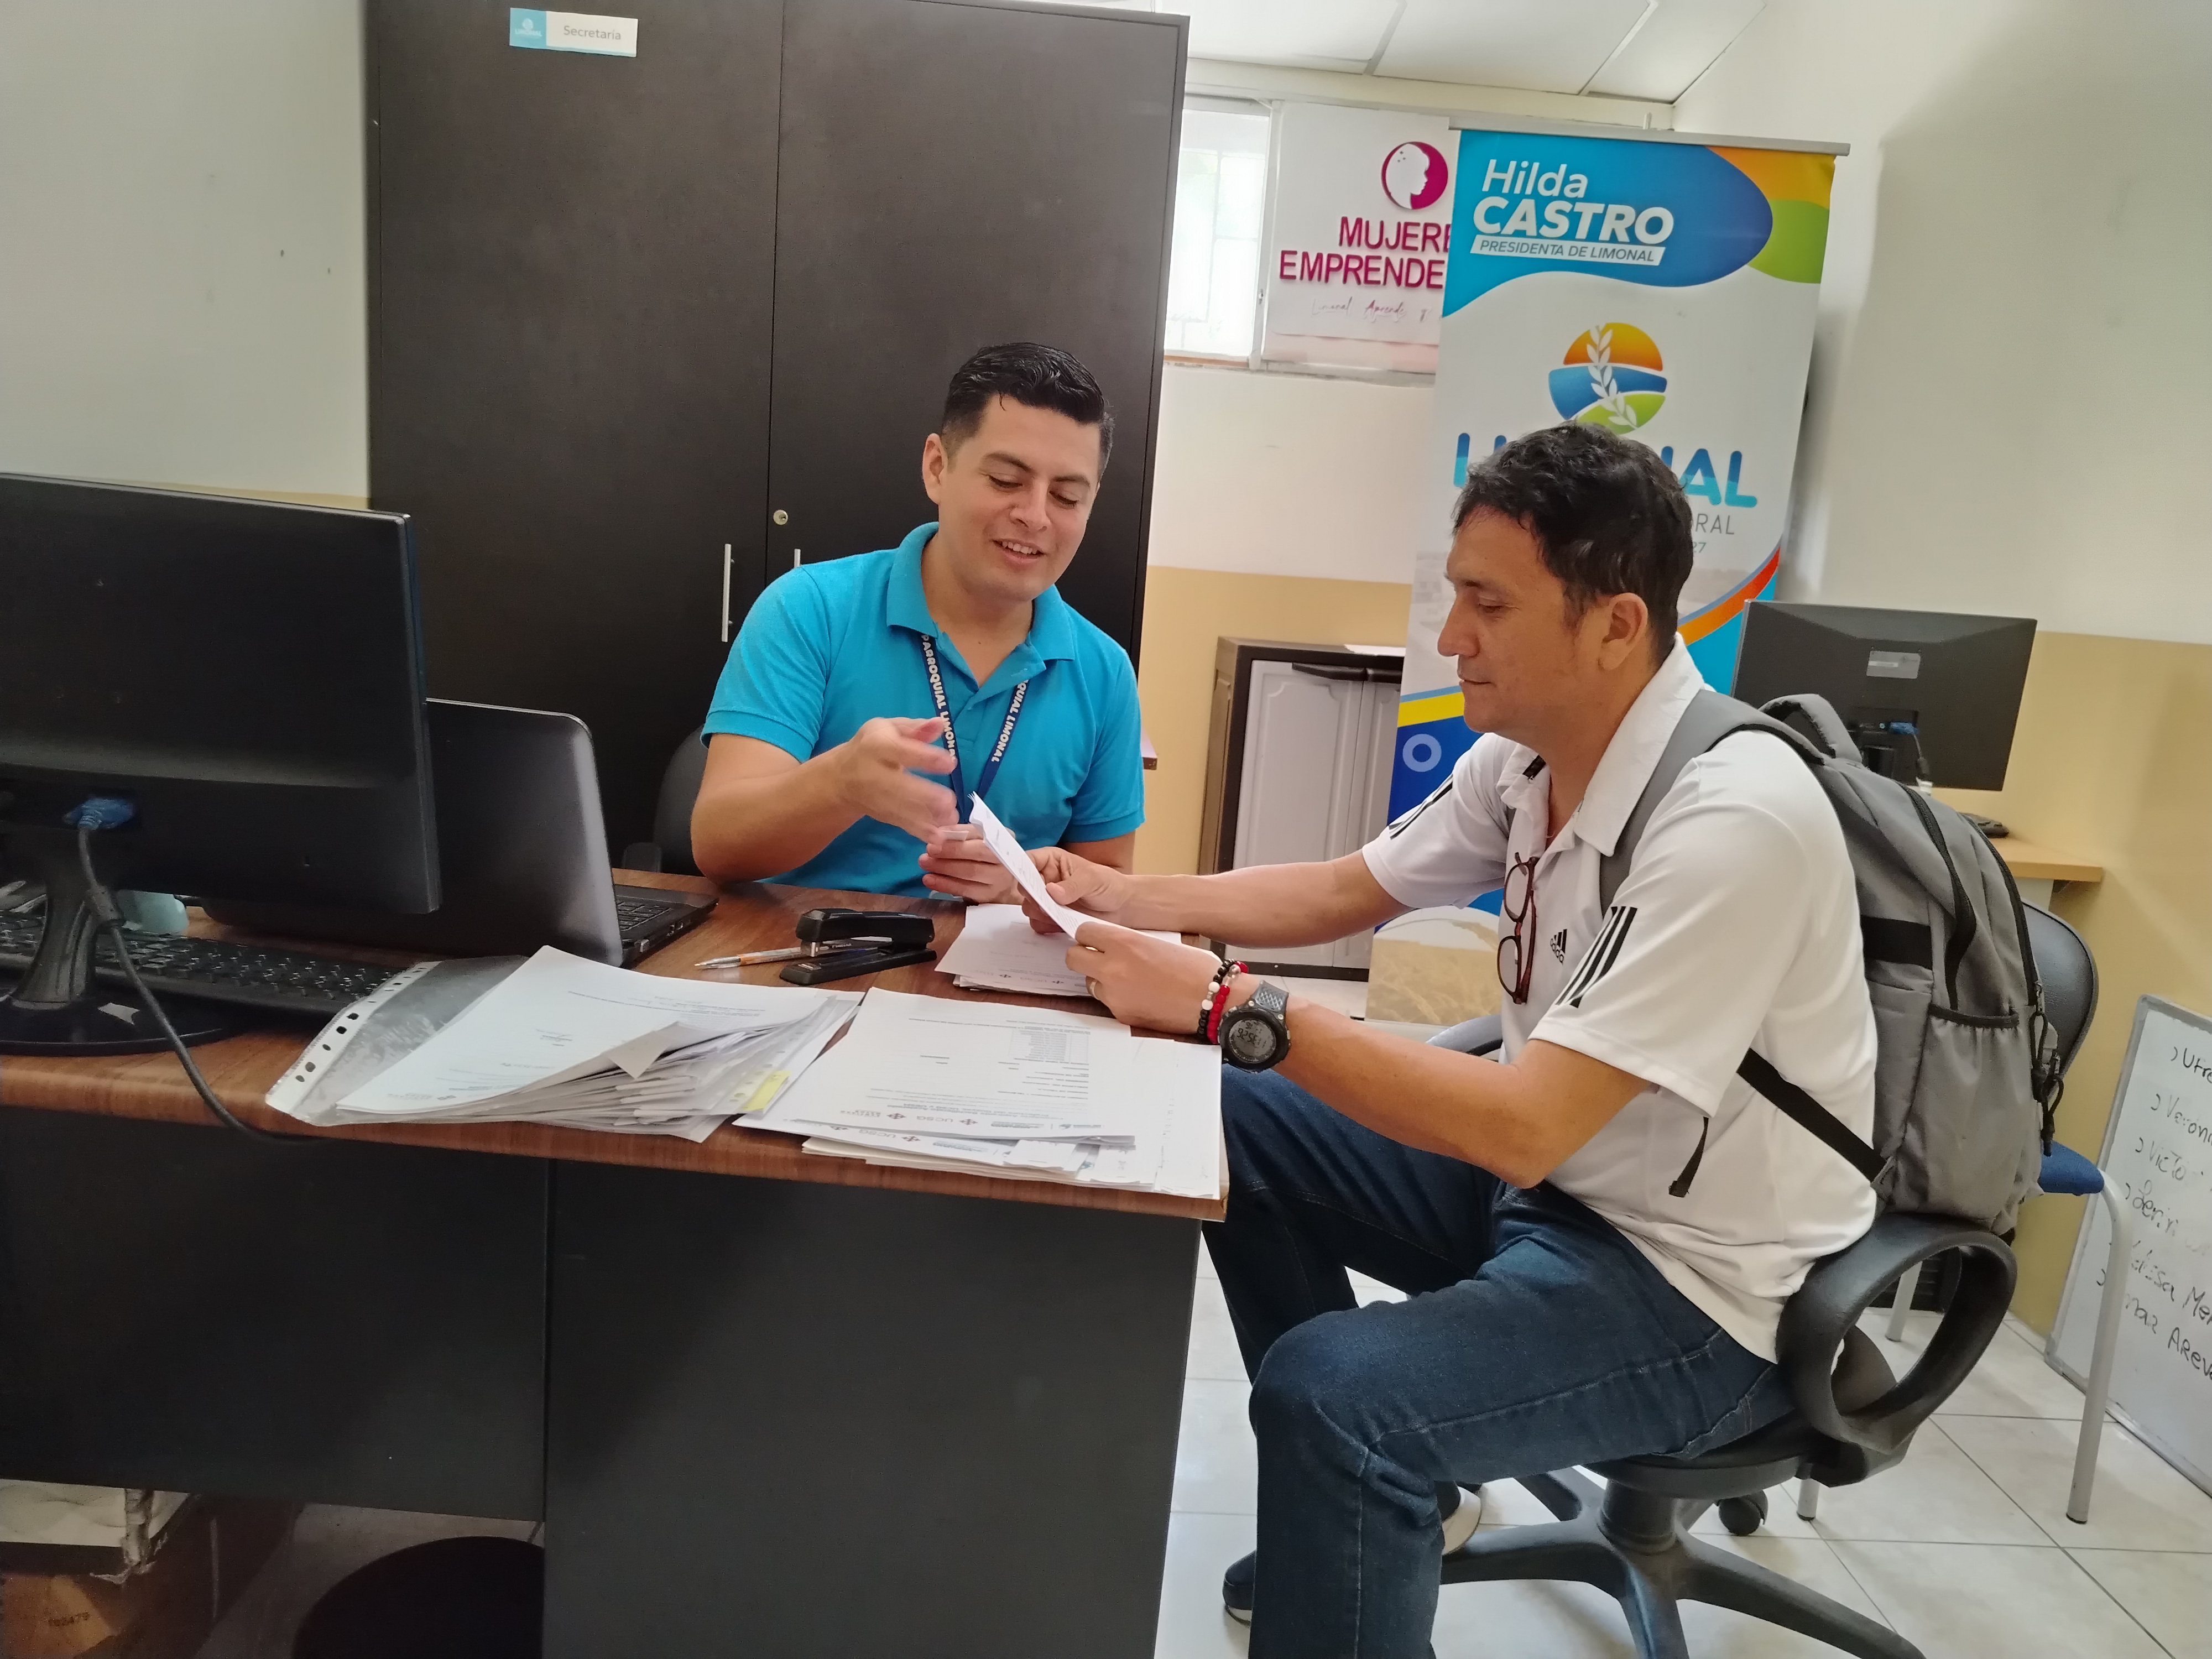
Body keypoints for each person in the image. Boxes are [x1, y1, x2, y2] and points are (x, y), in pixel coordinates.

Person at [1021, 423, 1879, 1656]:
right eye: (1455, 594)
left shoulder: (1735, 821)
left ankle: (1372, 1469)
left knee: (1335, 1397)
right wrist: (1115, 895)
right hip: (1567, 1199)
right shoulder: (1529, 762)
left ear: (1615, 626)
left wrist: (1226, 1004)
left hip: (1701, 1298)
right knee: (1222, 1110)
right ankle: (1384, 1510)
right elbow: (1343, 889)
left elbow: (1527, 1127)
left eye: (1488, 604)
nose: (1449, 638)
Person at [690, 342, 1145, 899]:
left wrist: (1021, 883)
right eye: (1006, 480)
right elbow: (718, 845)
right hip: (803, 944)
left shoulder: (1103, 671)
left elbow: (1109, 882)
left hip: (994, 951)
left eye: (1067, 497)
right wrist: (840, 784)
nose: (1034, 516)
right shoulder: (810, 609)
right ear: (937, 468)